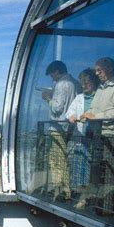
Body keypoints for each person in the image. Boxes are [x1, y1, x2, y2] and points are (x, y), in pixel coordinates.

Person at [80, 57, 114, 216]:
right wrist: (87, 115)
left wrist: (97, 116)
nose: (96, 73)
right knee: (95, 173)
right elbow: (94, 109)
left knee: (108, 174)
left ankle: (107, 210)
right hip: (98, 135)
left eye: (99, 70)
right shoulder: (101, 89)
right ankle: (96, 206)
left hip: (110, 136)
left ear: (109, 69)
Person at [42, 60, 82, 201]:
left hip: (58, 127)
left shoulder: (60, 85)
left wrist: (48, 97)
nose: (52, 77)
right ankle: (67, 189)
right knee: (66, 158)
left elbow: (57, 108)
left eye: (52, 74)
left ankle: (62, 190)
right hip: (72, 126)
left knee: (57, 159)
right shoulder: (76, 83)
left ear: (57, 71)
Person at [65, 68, 100, 208]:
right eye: (82, 82)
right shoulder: (79, 98)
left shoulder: (99, 97)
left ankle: (91, 197)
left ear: (93, 82)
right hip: (82, 137)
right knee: (81, 167)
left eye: (87, 82)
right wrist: (71, 117)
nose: (84, 85)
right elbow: (69, 112)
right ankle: (82, 197)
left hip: (96, 138)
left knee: (94, 169)